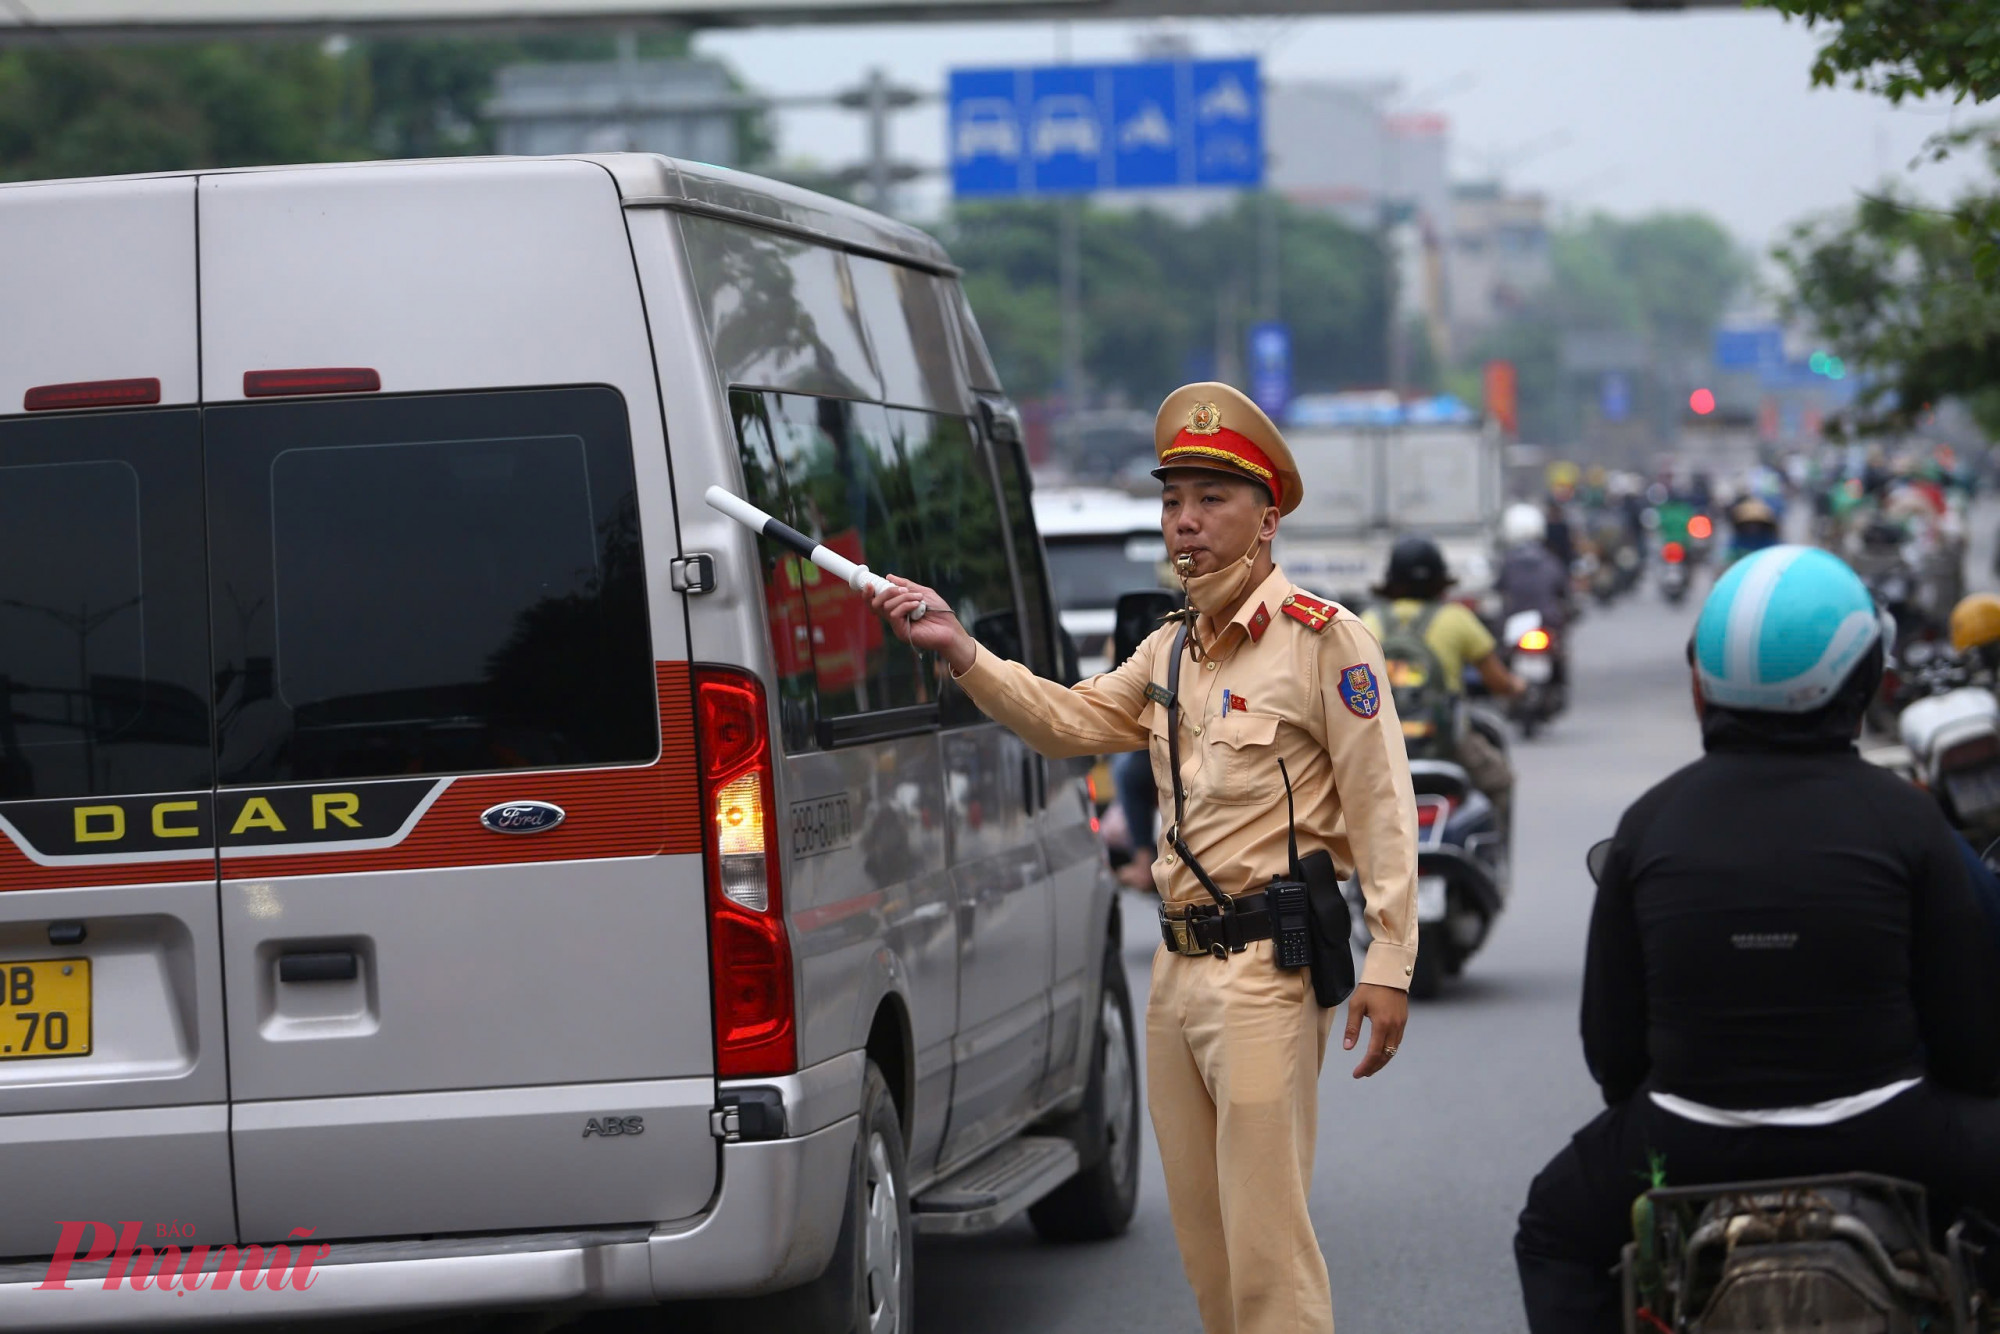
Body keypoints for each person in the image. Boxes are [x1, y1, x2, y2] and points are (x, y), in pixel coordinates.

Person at [868, 381, 1419, 1334]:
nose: (1184, 522)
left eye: (1211, 499)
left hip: (1268, 970)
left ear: (1267, 518)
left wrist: (1391, 960)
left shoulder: (1325, 643)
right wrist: (960, 649)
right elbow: (1069, 720)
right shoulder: (1168, 652)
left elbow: (1383, 805)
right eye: (1172, 501)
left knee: (1267, 1250)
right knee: (1207, 1253)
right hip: (1175, 973)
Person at [1513, 544, 2000, 1334]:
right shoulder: (1910, 821)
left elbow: (1612, 1053)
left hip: (1687, 1137)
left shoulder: (1651, 824)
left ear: (1702, 686)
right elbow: (1975, 1046)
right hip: (1893, 1132)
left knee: (1553, 1232)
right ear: (1863, 682)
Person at [1361, 535, 1523, 813]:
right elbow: (1499, 683)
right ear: (1440, 582)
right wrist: (1517, 686)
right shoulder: (1457, 618)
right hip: (1447, 744)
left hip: (1380, 746)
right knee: (1499, 781)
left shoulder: (1368, 621)